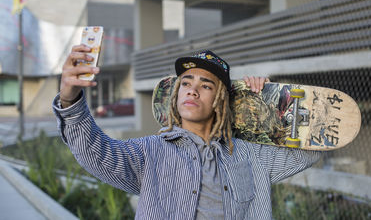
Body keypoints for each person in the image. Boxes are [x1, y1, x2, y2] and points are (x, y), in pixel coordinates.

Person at [53, 47, 321, 220]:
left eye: (205, 86)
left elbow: (307, 154)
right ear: (177, 94)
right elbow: (97, 153)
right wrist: (69, 97)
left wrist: (270, 106)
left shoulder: (251, 156)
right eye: (186, 84)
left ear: (221, 101)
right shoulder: (150, 152)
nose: (192, 90)